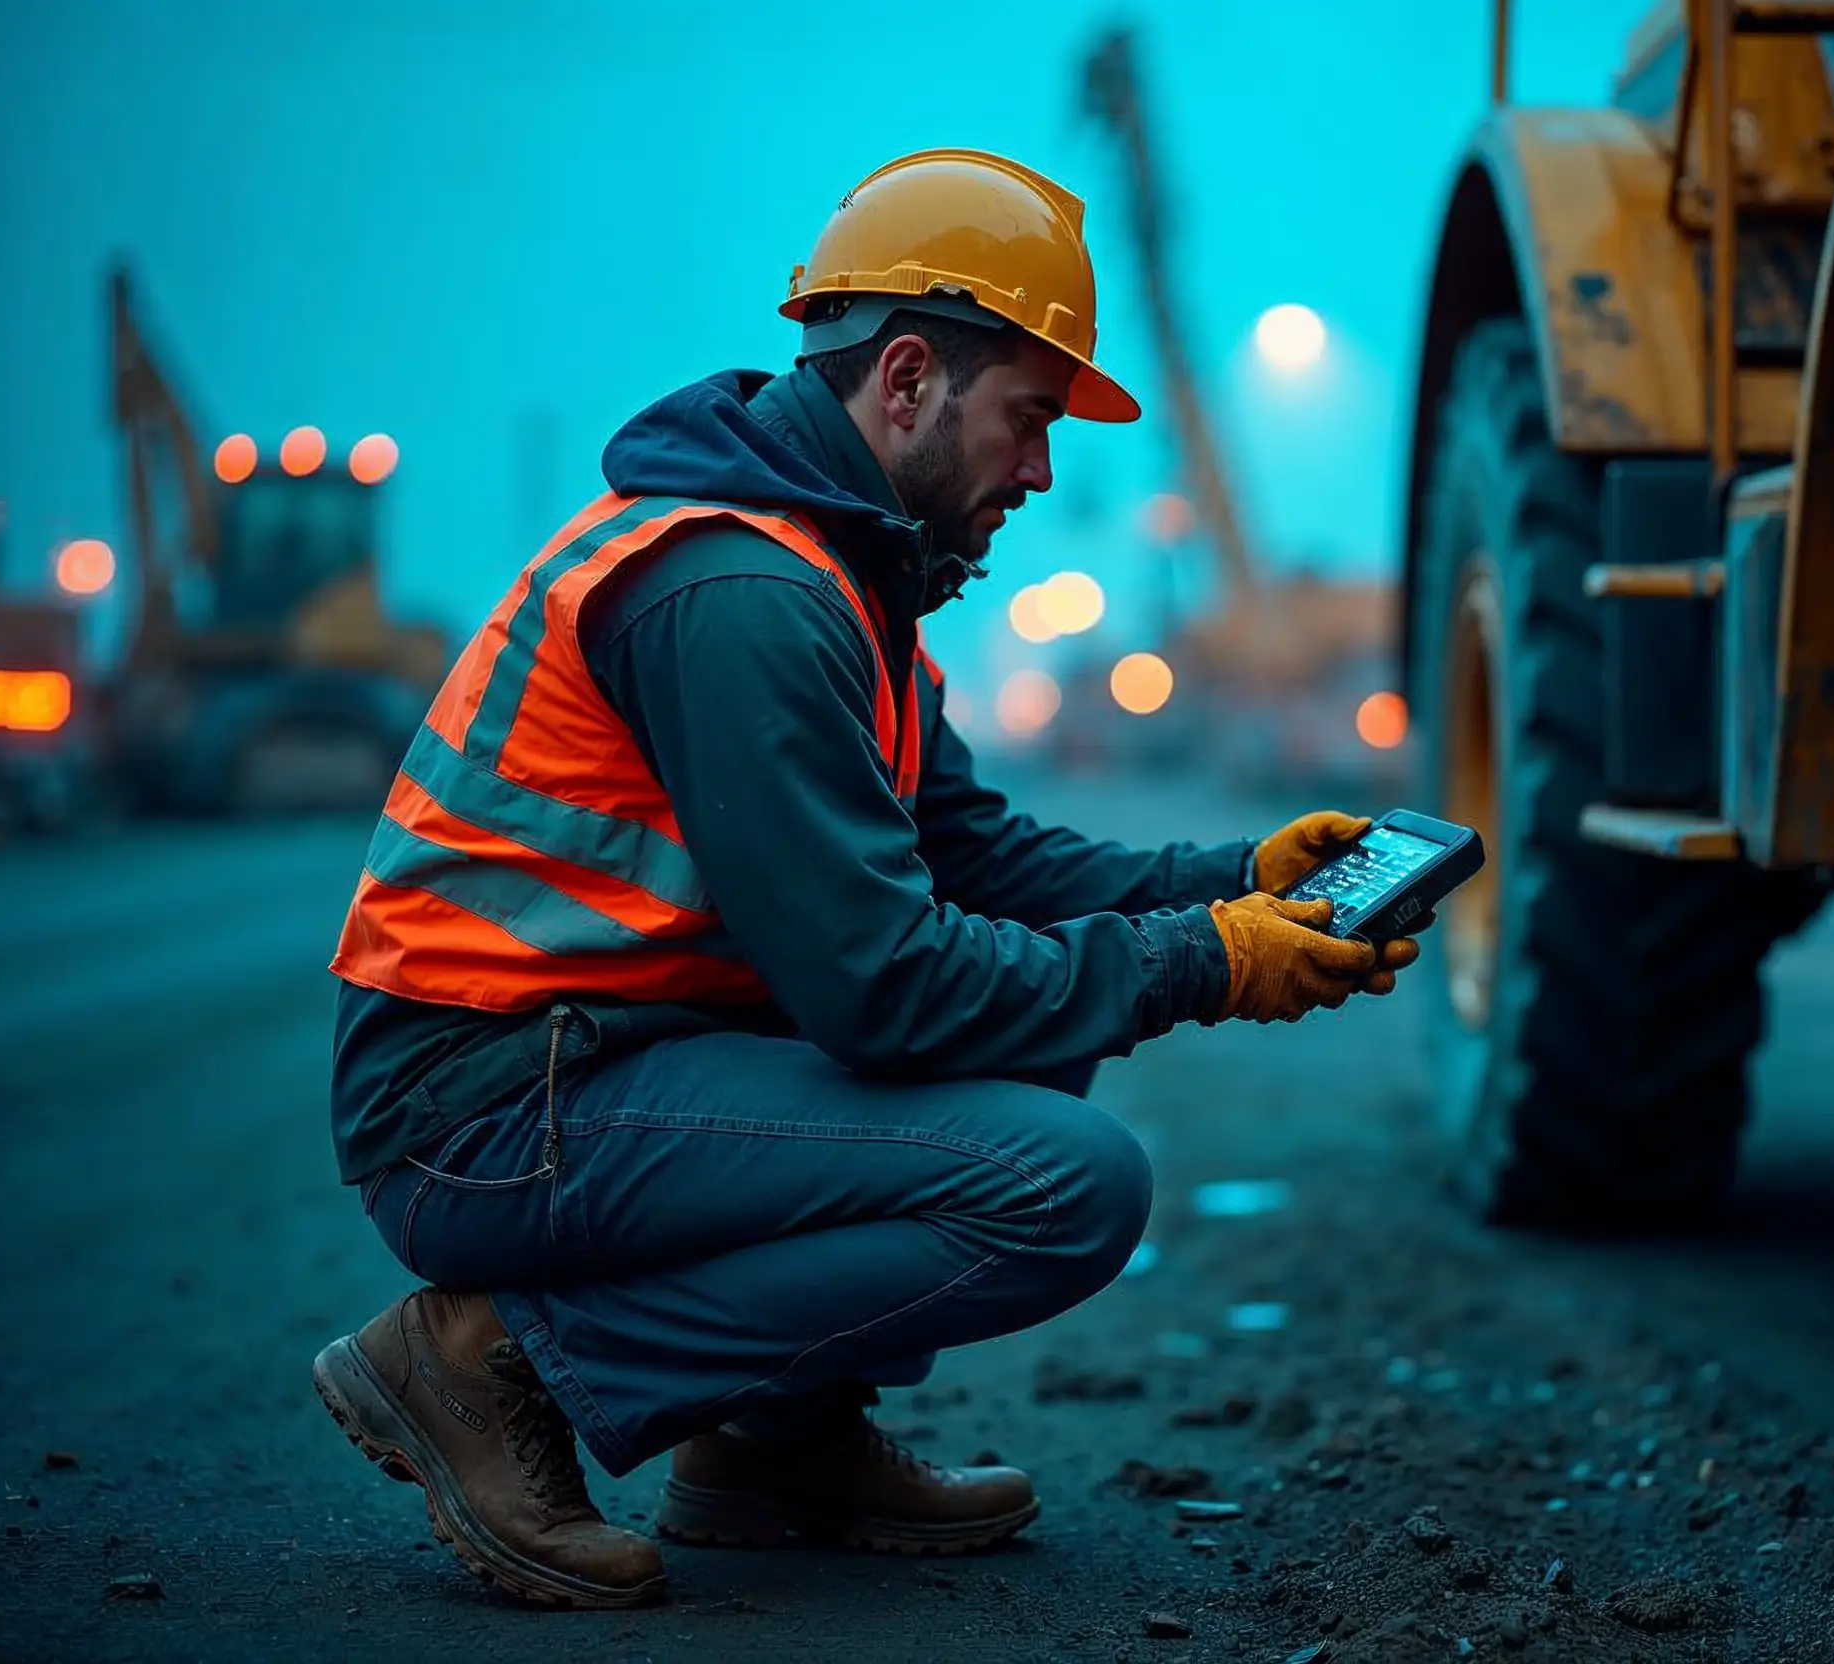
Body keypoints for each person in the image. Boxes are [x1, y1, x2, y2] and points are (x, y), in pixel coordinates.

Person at [312, 147, 1421, 1610]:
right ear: (906, 382)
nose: (1041, 472)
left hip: (591, 1066)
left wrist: (1227, 876)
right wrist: (1205, 961)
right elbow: (884, 987)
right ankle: (486, 1361)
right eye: (1029, 418)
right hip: (485, 1107)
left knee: (1043, 1047)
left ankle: (772, 1447)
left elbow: (979, 859)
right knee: (1063, 1181)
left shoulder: (842, 580)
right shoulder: (744, 598)